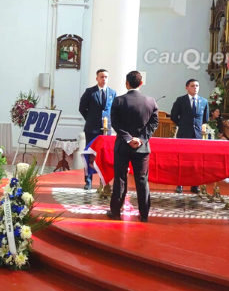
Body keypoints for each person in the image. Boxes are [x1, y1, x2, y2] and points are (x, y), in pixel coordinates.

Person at [107, 71, 159, 223]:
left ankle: (116, 212)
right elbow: (154, 123)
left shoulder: (118, 100)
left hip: (123, 147)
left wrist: (128, 139)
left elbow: (115, 123)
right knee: (142, 180)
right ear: (141, 83)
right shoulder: (151, 101)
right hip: (142, 149)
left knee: (120, 179)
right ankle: (144, 214)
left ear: (126, 83)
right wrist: (141, 139)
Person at [78, 69, 117, 190]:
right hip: (92, 128)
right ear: (97, 78)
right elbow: (82, 108)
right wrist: (90, 119)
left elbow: (114, 109)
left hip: (106, 129)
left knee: (104, 155)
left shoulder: (112, 92)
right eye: (102, 77)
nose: (104, 79)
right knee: (90, 154)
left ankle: (104, 181)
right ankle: (88, 181)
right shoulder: (90, 92)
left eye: (106, 77)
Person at [170, 79, 210, 193]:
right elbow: (173, 116)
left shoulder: (203, 101)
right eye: (192, 86)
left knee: (196, 161)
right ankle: (180, 183)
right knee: (182, 160)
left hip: (197, 135)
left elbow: (205, 118)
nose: (195, 88)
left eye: (197, 86)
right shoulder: (180, 100)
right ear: (187, 87)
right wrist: (182, 125)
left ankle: (195, 184)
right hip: (184, 134)